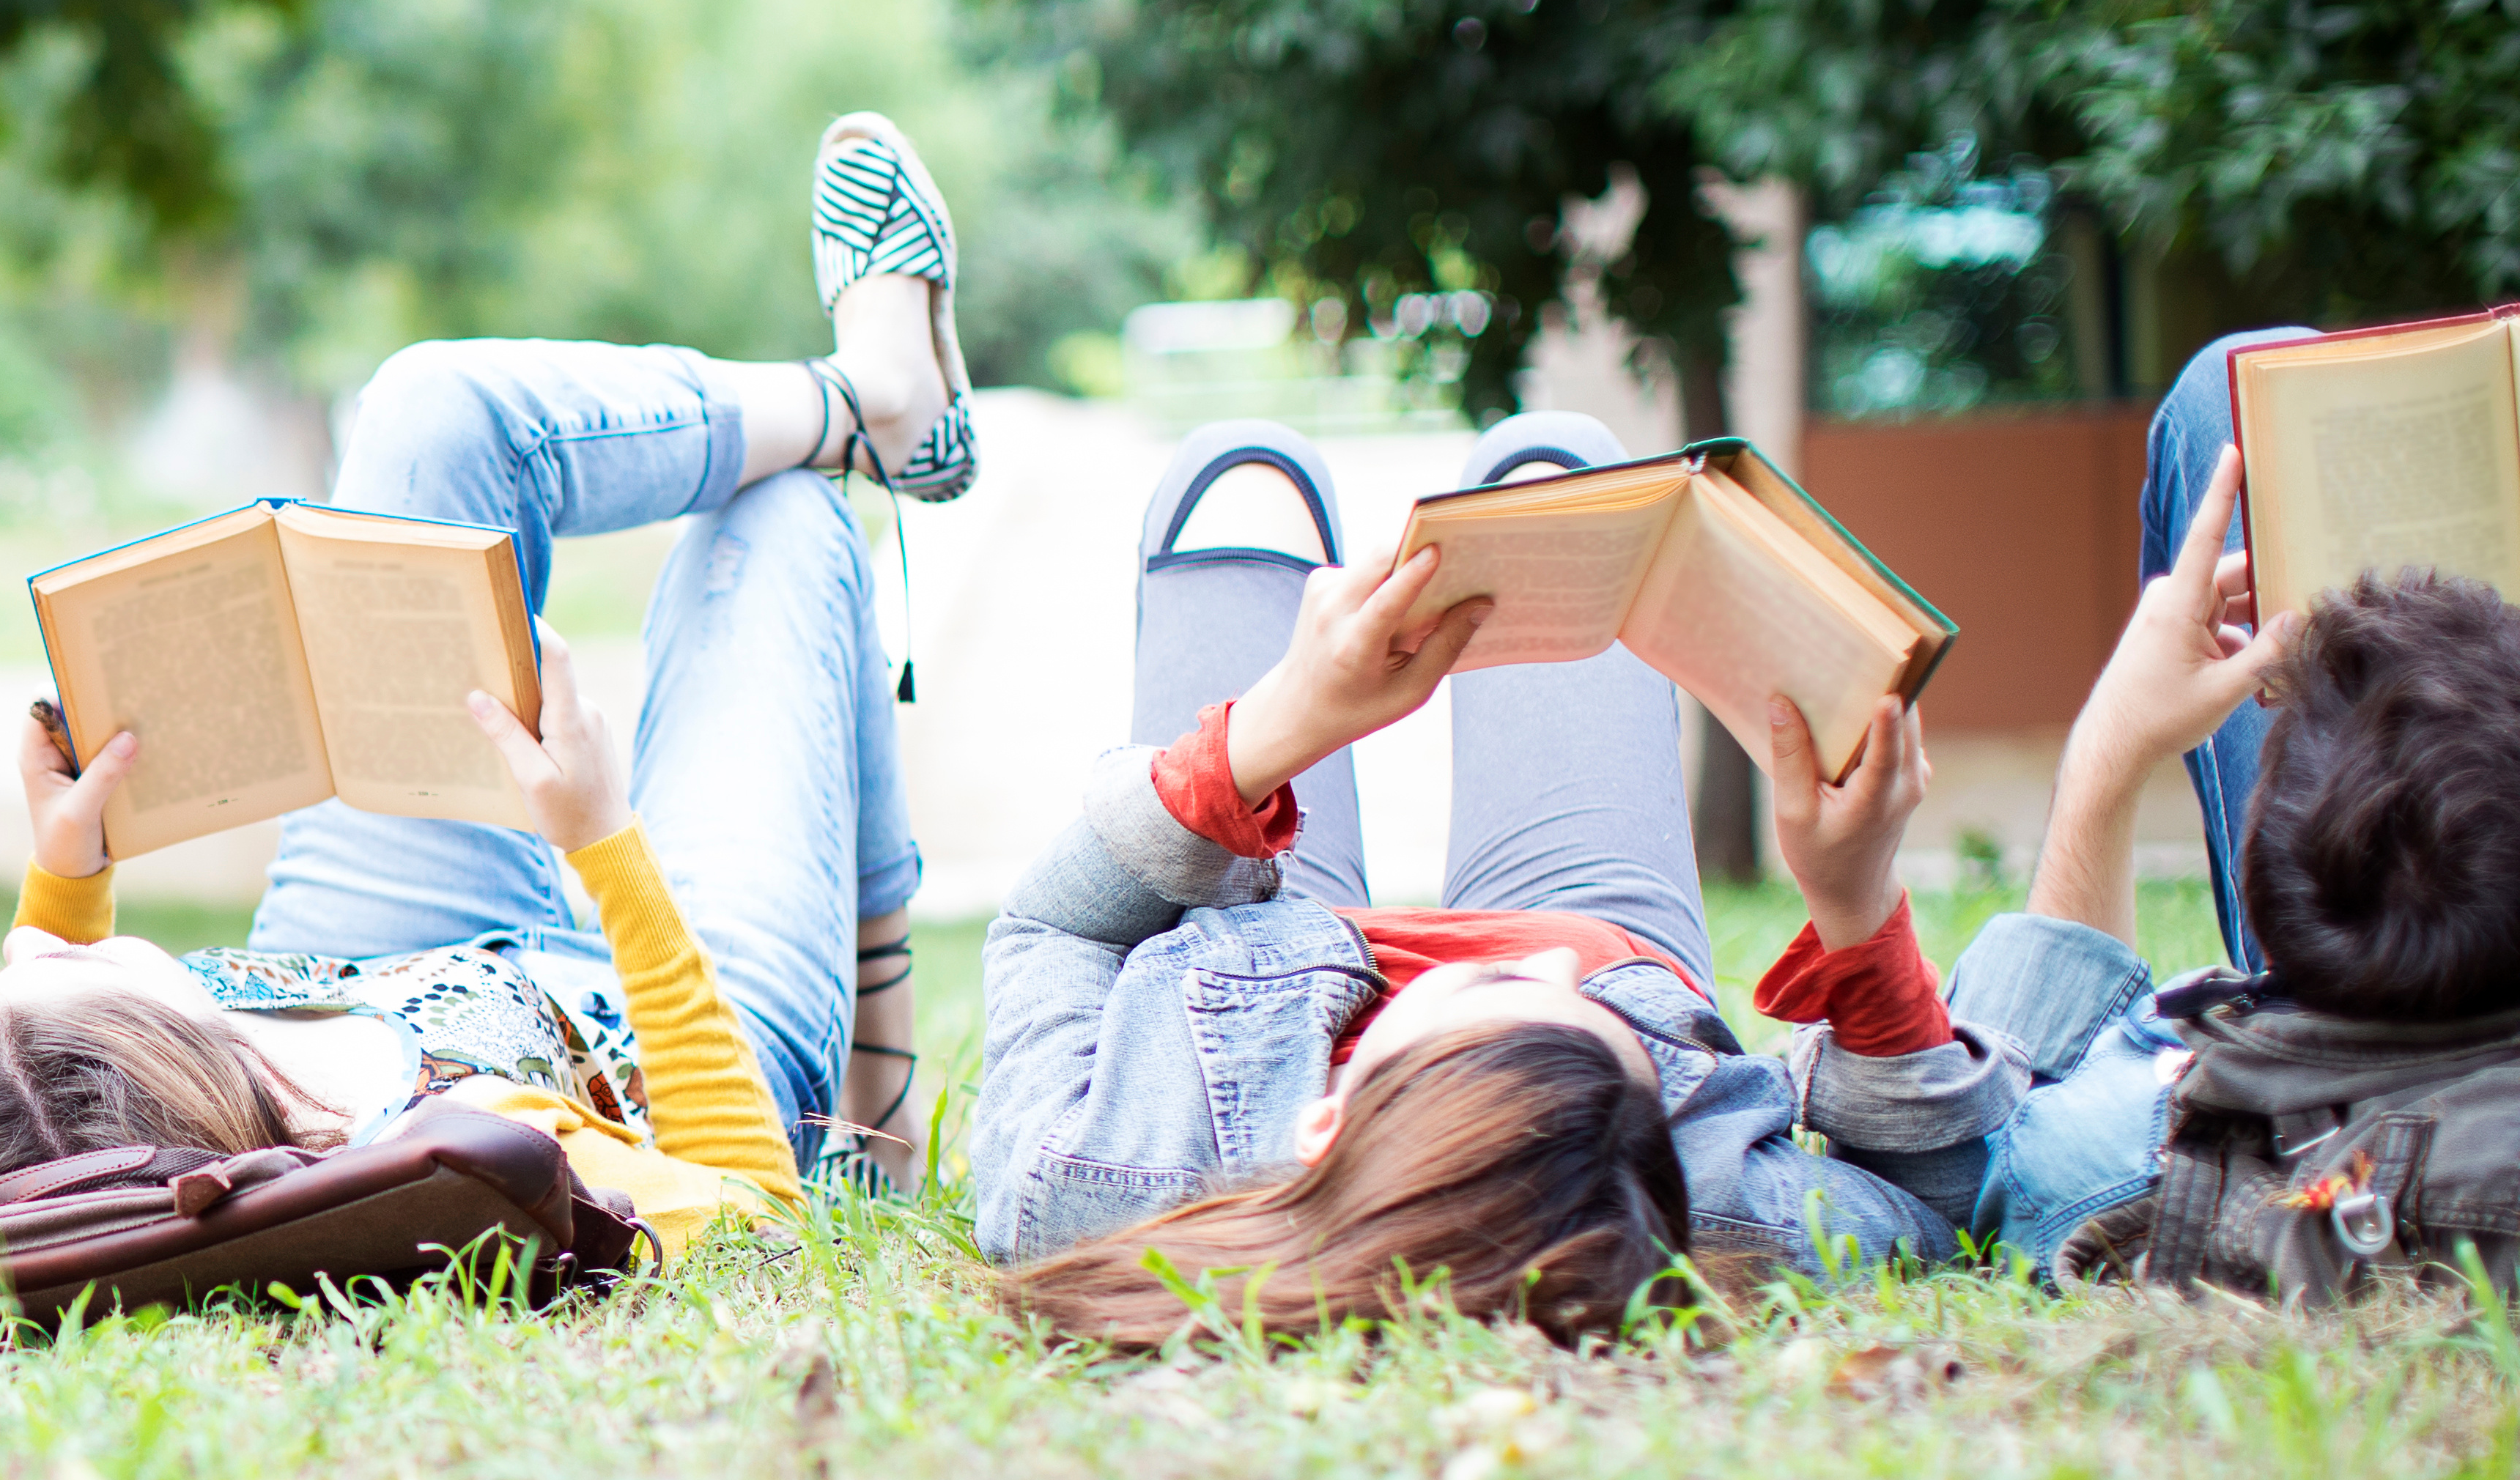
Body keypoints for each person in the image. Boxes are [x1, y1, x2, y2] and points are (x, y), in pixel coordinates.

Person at [0, 113, 983, 1237]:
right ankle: (872, 1083)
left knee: (432, 410)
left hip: (358, 959)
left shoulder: (130, 1082)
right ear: (173, 1044)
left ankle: (874, 406)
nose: (38, 938)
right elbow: (748, 1213)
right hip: (656, 1038)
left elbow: (48, 1107)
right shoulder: (459, 1145)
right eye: (60, 963)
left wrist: (68, 874)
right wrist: (600, 843)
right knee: (787, 520)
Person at [980, 416, 2055, 1352]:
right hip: (1608, 921)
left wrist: (1275, 731)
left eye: (1497, 995)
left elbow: (1047, 930)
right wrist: (1855, 902)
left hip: (1242, 918)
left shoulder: (1088, 1185)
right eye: (1601, 1042)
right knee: (1558, 467)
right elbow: (1949, 1214)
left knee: (1233, 476)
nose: (1535, 965)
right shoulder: (1714, 1207)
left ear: (1327, 1128)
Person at [1946, 333, 2520, 1277]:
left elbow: (1981, 1143)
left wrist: (2110, 754)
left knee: (2238, 374)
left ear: (2264, 857)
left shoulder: (2125, 1155)